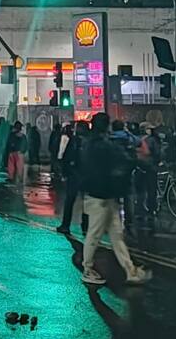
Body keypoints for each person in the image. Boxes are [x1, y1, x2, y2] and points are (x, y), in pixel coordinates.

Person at [79, 112, 152, 286]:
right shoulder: (104, 146)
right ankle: (87, 269)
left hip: (100, 196)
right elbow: (124, 161)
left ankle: (130, 270)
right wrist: (140, 160)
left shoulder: (89, 144)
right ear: (106, 126)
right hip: (103, 197)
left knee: (115, 235)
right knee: (97, 234)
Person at [57, 121, 88, 234]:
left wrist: (64, 173)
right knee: (86, 202)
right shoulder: (89, 141)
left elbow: (67, 156)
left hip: (73, 175)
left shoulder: (74, 140)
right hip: (86, 176)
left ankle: (66, 225)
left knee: (70, 200)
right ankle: (85, 226)